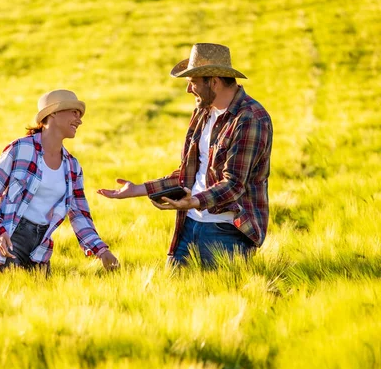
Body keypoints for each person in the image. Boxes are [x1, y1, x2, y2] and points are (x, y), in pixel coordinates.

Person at [98, 43, 273, 267]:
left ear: (215, 82)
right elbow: (189, 173)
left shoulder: (250, 118)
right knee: (167, 297)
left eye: (192, 83)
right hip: (188, 224)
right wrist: (138, 190)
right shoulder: (203, 112)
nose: (188, 90)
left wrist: (192, 201)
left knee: (216, 300)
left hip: (226, 232)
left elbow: (234, 184)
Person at [0, 89, 120, 274]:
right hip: (9, 238)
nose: (79, 120)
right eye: (74, 113)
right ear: (52, 113)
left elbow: (79, 214)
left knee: (38, 301)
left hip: (41, 248)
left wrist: (102, 251)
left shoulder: (72, 166)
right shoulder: (21, 149)